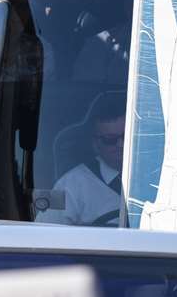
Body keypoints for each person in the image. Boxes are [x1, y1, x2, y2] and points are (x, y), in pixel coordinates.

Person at [37, 92, 127, 226]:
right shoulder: (66, 185)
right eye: (110, 139)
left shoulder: (159, 179)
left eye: (126, 137)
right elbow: (42, 233)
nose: (120, 145)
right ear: (95, 145)